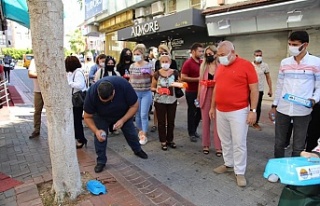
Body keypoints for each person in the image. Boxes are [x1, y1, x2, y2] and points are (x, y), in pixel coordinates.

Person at [209, 41, 259, 187]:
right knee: (225, 140)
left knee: (239, 143)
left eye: (223, 55)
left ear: (233, 52)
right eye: (218, 55)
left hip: (239, 111)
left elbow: (254, 90)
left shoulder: (246, 65)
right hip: (221, 110)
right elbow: (216, 88)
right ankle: (228, 163)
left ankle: (240, 172)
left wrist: (253, 111)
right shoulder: (220, 67)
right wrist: (213, 107)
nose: (220, 58)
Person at [269, 31, 320, 159]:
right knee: (279, 142)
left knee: (298, 145)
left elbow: (319, 86)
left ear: (305, 45)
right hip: (283, 108)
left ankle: (294, 170)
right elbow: (280, 85)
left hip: (303, 110)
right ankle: (278, 167)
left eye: (295, 44)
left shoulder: (315, 62)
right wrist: (274, 105)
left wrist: (313, 100)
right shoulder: (285, 63)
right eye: (290, 44)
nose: (292, 47)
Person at [83, 76, 148, 173]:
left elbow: (134, 106)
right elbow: (87, 117)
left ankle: (137, 149)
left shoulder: (123, 85)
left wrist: (123, 120)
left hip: (123, 112)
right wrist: (96, 131)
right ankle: (101, 161)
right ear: (98, 93)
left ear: (114, 92)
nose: (107, 103)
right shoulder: (92, 93)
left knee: (131, 133)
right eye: (103, 101)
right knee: (100, 137)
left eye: (109, 100)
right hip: (101, 116)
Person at [197, 45, 222, 156]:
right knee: (205, 121)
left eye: (210, 54)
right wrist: (198, 96)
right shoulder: (203, 66)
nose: (208, 56)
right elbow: (200, 82)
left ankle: (218, 146)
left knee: (217, 123)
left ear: (215, 54)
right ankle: (205, 144)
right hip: (205, 94)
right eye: (206, 54)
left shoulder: (221, 67)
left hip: (218, 96)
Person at [151, 54, 179, 150]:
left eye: (166, 61)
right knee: (161, 122)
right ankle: (163, 141)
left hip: (172, 100)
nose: (165, 64)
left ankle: (170, 140)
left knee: (171, 121)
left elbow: (180, 83)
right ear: (160, 63)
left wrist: (177, 84)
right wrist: (157, 90)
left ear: (170, 62)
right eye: (163, 62)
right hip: (160, 100)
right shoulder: (157, 74)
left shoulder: (175, 73)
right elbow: (152, 87)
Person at [129, 44, 153, 145]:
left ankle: (145, 134)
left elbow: (153, 77)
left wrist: (149, 73)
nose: (136, 56)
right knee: (137, 114)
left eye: (138, 54)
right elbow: (130, 79)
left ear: (142, 54)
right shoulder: (132, 66)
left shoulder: (148, 65)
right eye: (134, 54)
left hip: (146, 91)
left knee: (144, 114)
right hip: (135, 92)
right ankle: (140, 131)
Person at [181, 43, 204, 142]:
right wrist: (197, 79)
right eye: (200, 51)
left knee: (200, 112)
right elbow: (183, 77)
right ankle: (191, 132)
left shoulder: (202, 62)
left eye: (202, 51)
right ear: (193, 51)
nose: (201, 53)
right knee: (192, 111)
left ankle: (194, 129)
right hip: (191, 92)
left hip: (201, 91)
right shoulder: (188, 63)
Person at [94, 56, 121, 136]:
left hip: (114, 96)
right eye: (108, 63)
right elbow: (96, 82)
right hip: (103, 95)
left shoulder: (116, 73)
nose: (110, 65)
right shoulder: (100, 72)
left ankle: (112, 128)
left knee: (113, 112)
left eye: (112, 63)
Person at [65, 56, 88, 149]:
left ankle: (80, 138)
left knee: (77, 120)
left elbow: (80, 85)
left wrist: (69, 83)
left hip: (78, 99)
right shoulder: (73, 72)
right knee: (76, 119)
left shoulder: (77, 73)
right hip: (76, 98)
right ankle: (79, 138)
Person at [251, 49, 273, 131]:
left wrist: (270, 89)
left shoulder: (265, 66)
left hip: (259, 90)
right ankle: (248, 120)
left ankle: (255, 122)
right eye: (257, 55)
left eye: (260, 55)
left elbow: (268, 78)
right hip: (250, 89)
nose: (258, 57)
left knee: (257, 106)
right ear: (254, 56)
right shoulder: (250, 65)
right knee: (248, 106)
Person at [28, 59, 44, 139]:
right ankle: (36, 130)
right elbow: (30, 74)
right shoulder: (34, 61)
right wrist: (43, 75)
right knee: (37, 111)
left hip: (50, 91)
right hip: (38, 90)